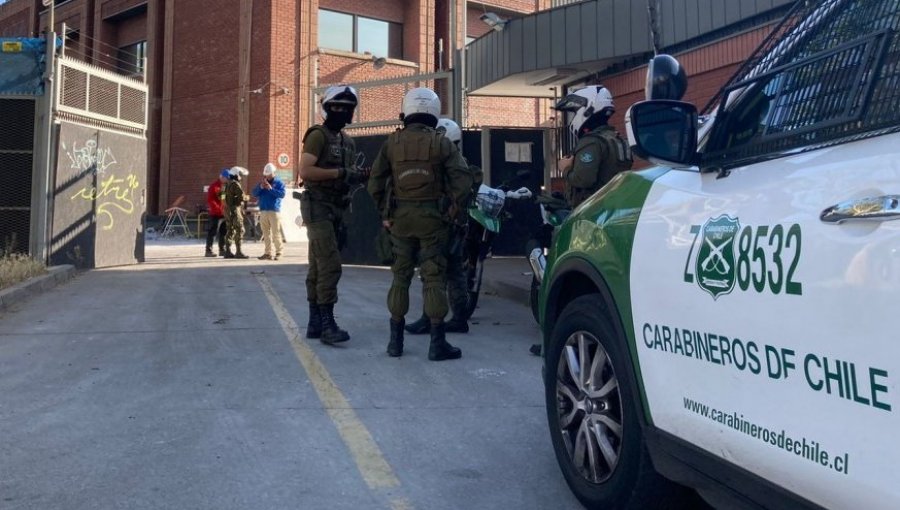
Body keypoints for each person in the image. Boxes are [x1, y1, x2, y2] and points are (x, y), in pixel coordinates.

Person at [368, 87, 473, 361]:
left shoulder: (392, 143)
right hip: (433, 221)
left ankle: (395, 343)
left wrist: (385, 213)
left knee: (400, 277)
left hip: (400, 220)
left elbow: (375, 182)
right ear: (434, 112)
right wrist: (451, 212)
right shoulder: (442, 143)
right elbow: (463, 181)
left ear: (407, 110)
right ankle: (437, 344)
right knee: (433, 277)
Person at [298, 85, 367, 345]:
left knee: (318, 265)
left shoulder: (347, 142)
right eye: (337, 107)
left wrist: (357, 176)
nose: (342, 112)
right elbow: (305, 171)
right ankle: (327, 324)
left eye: (347, 108)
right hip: (318, 206)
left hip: (337, 207)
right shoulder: (318, 135)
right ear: (327, 108)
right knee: (330, 265)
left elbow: (348, 174)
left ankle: (315, 322)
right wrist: (339, 174)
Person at [405, 118, 482, 336]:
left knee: (433, 272)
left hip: (444, 225)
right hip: (454, 225)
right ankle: (458, 317)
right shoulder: (459, 163)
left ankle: (430, 318)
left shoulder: (450, 165)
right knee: (454, 271)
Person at [553, 85, 633, 209]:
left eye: (575, 111)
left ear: (587, 109)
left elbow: (583, 180)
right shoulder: (617, 139)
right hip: (614, 206)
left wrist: (565, 168)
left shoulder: (591, 141)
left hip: (592, 210)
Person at [252, 163, 286, 260]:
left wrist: (271, 189)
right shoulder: (262, 183)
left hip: (274, 211)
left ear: (273, 173)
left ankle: (279, 252)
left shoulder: (279, 183)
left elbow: (282, 194)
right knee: (265, 233)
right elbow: (254, 193)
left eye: (269, 174)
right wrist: (261, 187)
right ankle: (267, 253)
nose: (267, 176)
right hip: (263, 211)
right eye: (266, 174)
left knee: (276, 233)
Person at [223, 165, 250, 259]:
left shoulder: (226, 185)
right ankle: (238, 252)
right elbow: (242, 197)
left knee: (230, 230)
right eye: (239, 175)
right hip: (235, 209)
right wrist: (247, 197)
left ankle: (227, 251)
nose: (240, 177)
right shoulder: (235, 184)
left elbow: (222, 197)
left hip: (227, 210)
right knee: (240, 229)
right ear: (236, 175)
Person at [205, 168, 229, 257]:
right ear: (222, 177)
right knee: (212, 231)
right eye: (226, 178)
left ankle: (222, 249)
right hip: (215, 213)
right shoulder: (214, 186)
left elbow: (225, 199)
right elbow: (210, 200)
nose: (227, 179)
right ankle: (208, 250)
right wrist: (218, 208)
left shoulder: (225, 187)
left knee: (223, 232)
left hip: (224, 213)